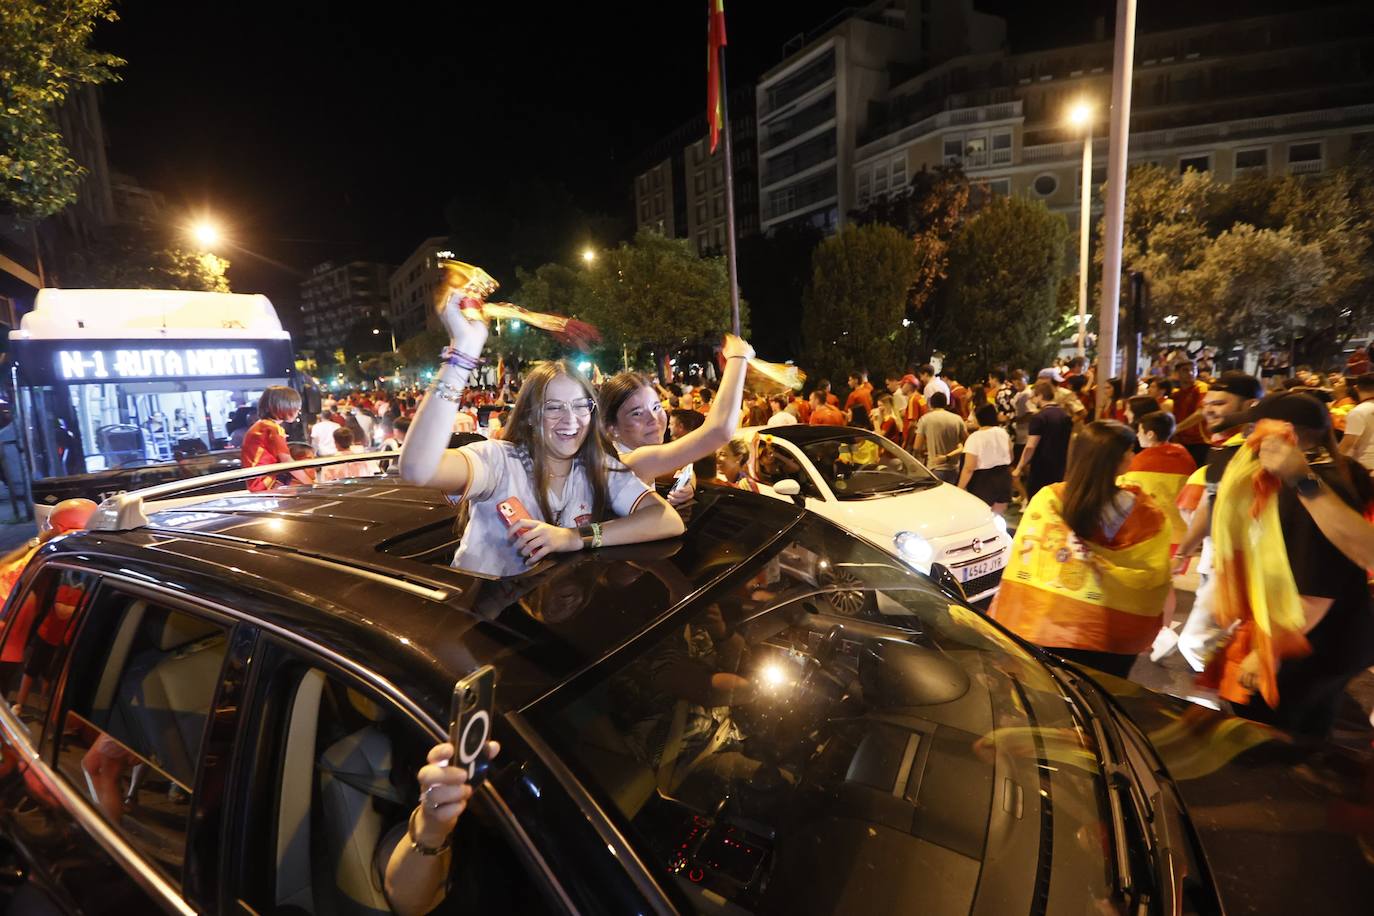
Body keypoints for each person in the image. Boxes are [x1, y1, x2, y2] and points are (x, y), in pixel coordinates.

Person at [398, 302, 684, 578]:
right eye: (554, 407)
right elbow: (417, 468)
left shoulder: (597, 467)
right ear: (531, 416)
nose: (571, 419)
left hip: (544, 616)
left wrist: (574, 538)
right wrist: (462, 353)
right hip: (478, 615)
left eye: (581, 405)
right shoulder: (499, 461)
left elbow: (667, 520)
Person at [1206, 393, 1374, 738]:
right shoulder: (1306, 478)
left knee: (1276, 738)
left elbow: (1315, 591)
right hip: (1330, 638)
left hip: (1312, 642)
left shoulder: (1306, 489)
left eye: (1253, 430)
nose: (1245, 441)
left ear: (1286, 437)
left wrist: (1267, 653)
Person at [990, 421, 1173, 678]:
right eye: (1130, 450)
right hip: (1112, 632)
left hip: (1053, 626)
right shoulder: (1144, 512)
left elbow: (1030, 556)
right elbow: (1152, 573)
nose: (1134, 456)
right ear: (1117, 460)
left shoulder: (1049, 499)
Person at [1171, 372, 1265, 672]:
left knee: (1196, 642)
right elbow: (1212, 506)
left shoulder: (1252, 448)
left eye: (1220, 403)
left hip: (1238, 557)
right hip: (1222, 554)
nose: (1209, 410)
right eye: (1207, 403)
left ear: (1251, 405)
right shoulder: (1226, 446)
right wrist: (1185, 551)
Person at [598, 334, 754, 507]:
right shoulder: (631, 461)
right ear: (612, 428)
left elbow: (681, 466)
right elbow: (719, 431)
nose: (653, 418)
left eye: (656, 407)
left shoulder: (623, 456)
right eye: (637, 413)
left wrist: (687, 482)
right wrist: (738, 357)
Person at [241, 387, 315, 492]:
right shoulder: (272, 428)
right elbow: (288, 461)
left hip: (258, 482)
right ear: (283, 407)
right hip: (266, 483)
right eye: (296, 407)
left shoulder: (262, 425)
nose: (298, 411)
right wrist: (312, 484)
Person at [1013, 380, 1072, 500]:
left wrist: (1019, 468)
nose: (1031, 401)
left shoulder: (1039, 418)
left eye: (1033, 397)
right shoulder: (1064, 415)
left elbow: (1030, 446)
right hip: (1060, 465)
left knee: (1038, 500)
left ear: (1040, 396)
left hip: (1041, 467)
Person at [958, 404, 1012, 514]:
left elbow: (969, 467)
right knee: (998, 514)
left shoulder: (975, 437)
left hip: (983, 480)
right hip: (1003, 475)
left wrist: (960, 488)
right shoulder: (1003, 432)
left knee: (982, 513)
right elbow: (1011, 456)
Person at [913, 391, 965, 484]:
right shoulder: (957, 419)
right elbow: (966, 441)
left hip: (935, 467)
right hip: (954, 468)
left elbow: (917, 446)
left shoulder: (925, 419)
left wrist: (922, 452)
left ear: (931, 404)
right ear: (946, 403)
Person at [1170, 360, 1210, 467]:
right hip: (1182, 442)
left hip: (1200, 442)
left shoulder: (1201, 387)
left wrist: (1175, 429)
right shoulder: (1176, 393)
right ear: (1176, 374)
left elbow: (1201, 413)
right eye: (1185, 370)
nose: (1191, 373)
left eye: (1194, 370)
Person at [1337, 372, 1374, 472]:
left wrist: (1335, 461)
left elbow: (1348, 443)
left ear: (1356, 388)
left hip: (1366, 467)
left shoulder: (1358, 411)